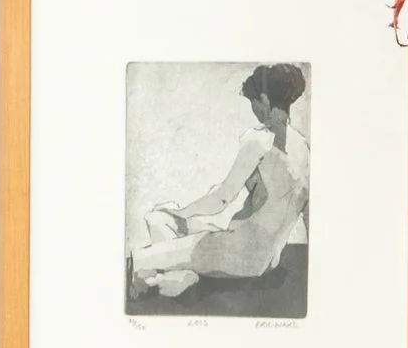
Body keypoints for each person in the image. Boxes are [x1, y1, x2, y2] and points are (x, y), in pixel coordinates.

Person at [131, 65, 309, 300]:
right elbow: (308, 214)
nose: (254, 110)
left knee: (146, 248)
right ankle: (182, 275)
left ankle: (178, 277)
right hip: (267, 261)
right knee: (161, 220)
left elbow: (221, 198)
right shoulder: (305, 150)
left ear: (264, 100)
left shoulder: (259, 141)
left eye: (253, 102)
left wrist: (182, 213)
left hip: (236, 253)